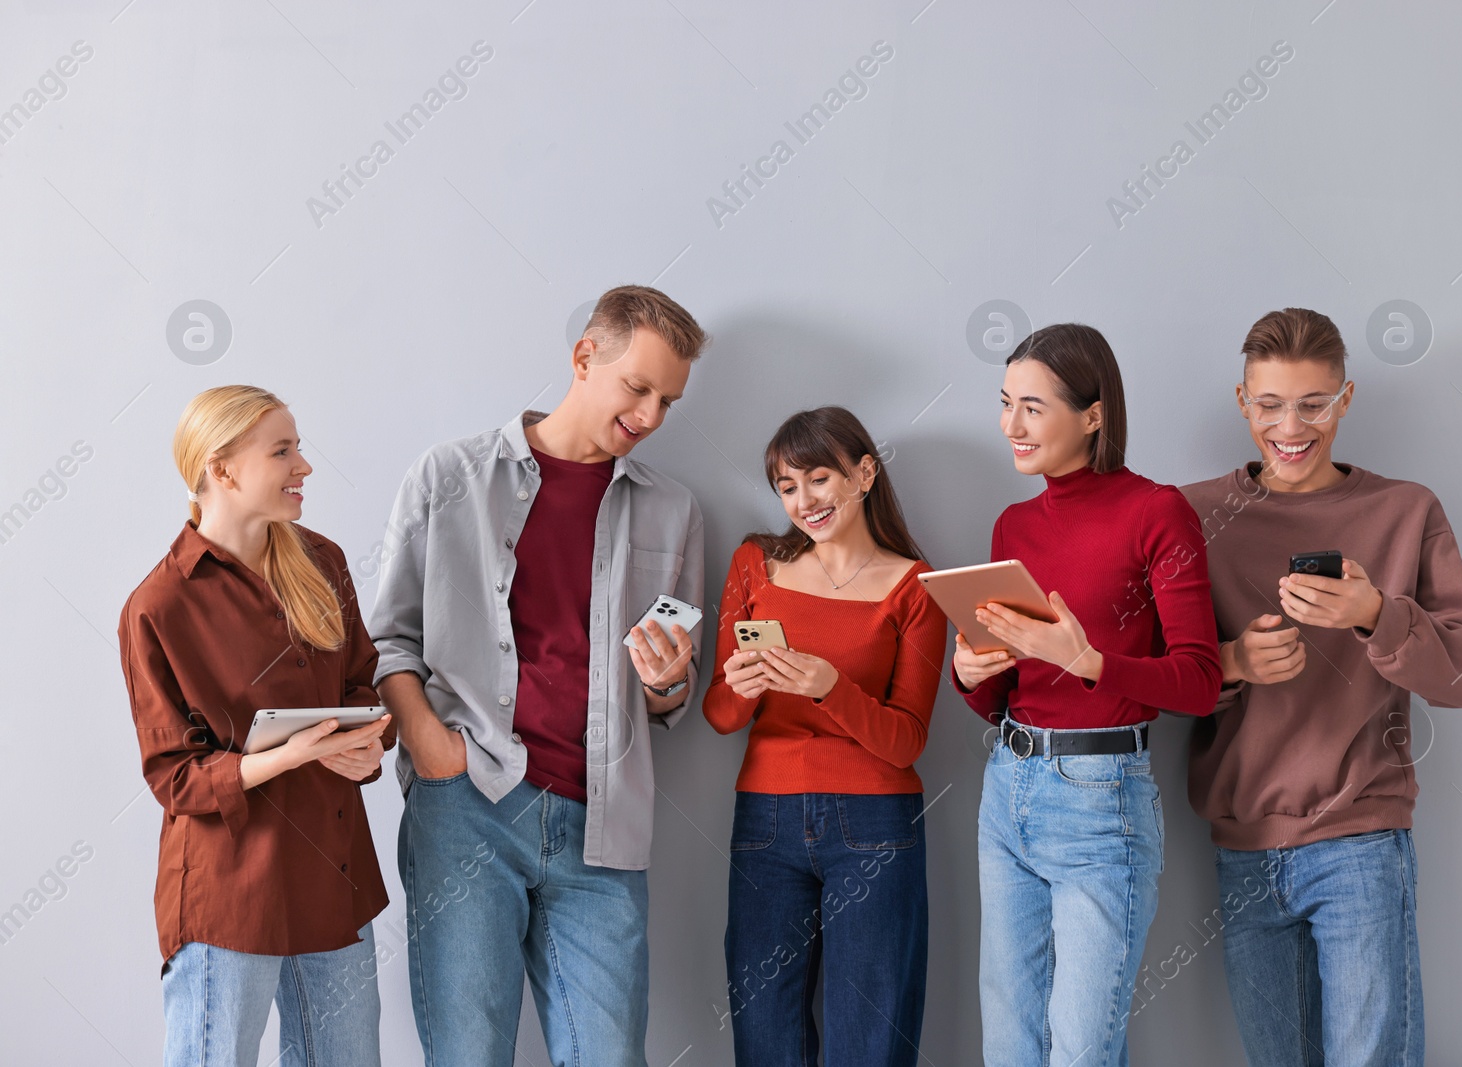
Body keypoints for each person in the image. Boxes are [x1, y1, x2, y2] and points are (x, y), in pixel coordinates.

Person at [368, 285, 708, 1066]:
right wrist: (428, 746)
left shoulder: (676, 511)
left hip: (604, 824)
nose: (652, 416)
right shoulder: (447, 476)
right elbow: (387, 638)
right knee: (468, 1054)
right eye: (639, 387)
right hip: (469, 807)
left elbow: (672, 694)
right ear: (585, 356)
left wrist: (665, 683)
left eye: (669, 400)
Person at [1181, 308, 1462, 1066]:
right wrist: (1234, 663)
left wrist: (1376, 614)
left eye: (1314, 403)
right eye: (1271, 404)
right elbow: (1153, 681)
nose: (1292, 426)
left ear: (1345, 399)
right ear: (1242, 401)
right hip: (1244, 845)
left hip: (1360, 841)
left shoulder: (1405, 510)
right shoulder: (1191, 515)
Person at [952, 324, 1222, 1067]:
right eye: (1006, 403)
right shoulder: (1014, 523)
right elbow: (1010, 684)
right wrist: (972, 676)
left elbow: (1200, 682)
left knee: (1080, 1050)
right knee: (1009, 1043)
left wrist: (1091, 660)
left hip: (1101, 801)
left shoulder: (1157, 511)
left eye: (1033, 408)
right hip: (1008, 786)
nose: (1011, 425)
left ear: (1093, 414)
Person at [117, 385, 395, 1067]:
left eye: (298, 447)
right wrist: (287, 755)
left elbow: (362, 680)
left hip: (334, 881)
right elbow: (173, 776)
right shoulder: (159, 605)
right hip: (230, 894)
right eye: (283, 450)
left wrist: (367, 746)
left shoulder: (322, 561)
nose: (304, 465)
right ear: (223, 468)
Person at [703, 406, 948, 1066]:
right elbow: (721, 714)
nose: (803, 500)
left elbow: (906, 740)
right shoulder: (755, 563)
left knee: (869, 1039)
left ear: (864, 473)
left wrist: (828, 686)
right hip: (765, 819)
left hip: (875, 822)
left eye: (818, 478)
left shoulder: (916, 587)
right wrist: (745, 684)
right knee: (765, 1034)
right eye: (787, 485)